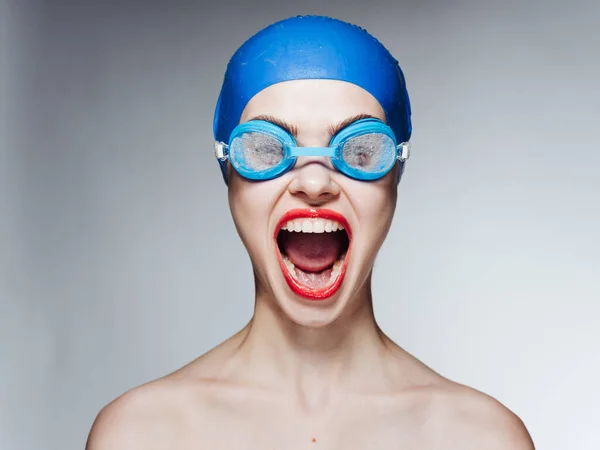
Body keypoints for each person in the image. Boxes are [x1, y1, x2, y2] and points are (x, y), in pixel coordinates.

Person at [86, 15, 534, 449]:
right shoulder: (142, 434)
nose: (315, 184)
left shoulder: (480, 438)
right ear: (229, 172)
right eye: (267, 149)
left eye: (359, 151)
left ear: (396, 173)